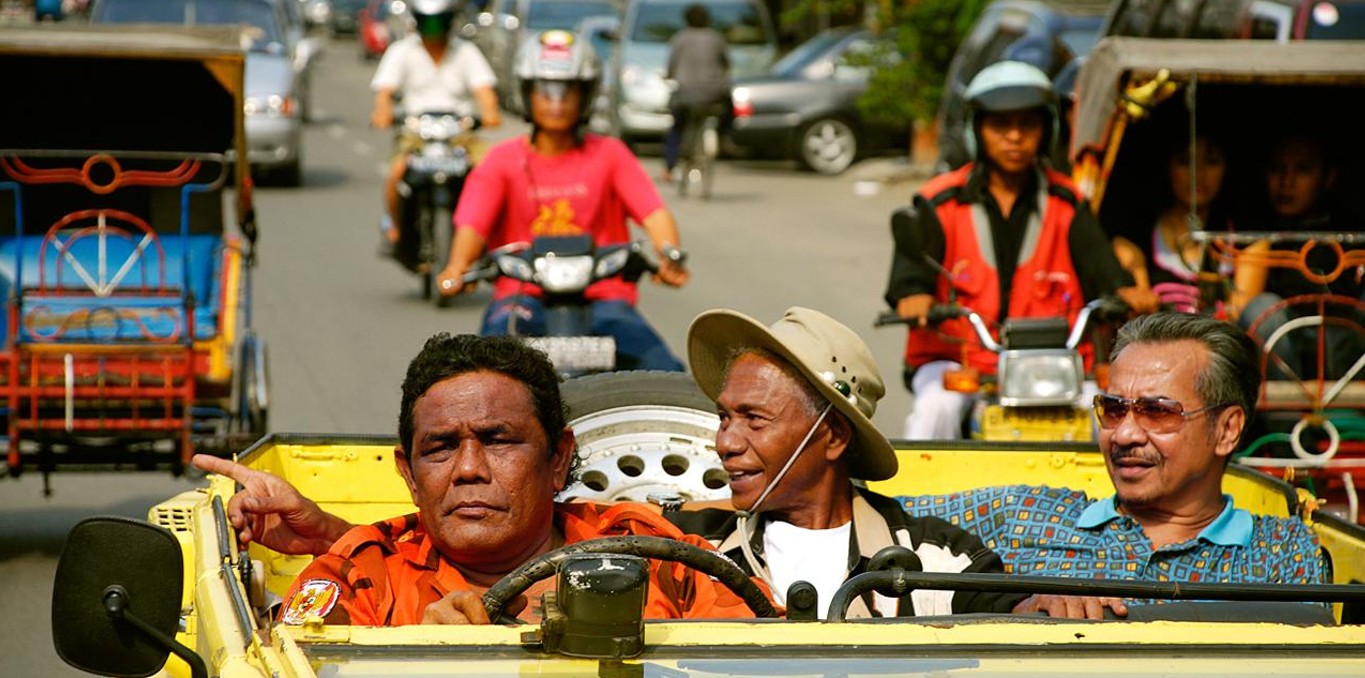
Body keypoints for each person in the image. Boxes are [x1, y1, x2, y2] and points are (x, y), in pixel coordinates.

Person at [200, 333, 765, 626]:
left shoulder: (655, 556)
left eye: (499, 441)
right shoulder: (358, 576)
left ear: (559, 458)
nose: (469, 469)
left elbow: (765, 657)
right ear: (409, 475)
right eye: (441, 448)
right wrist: (418, 658)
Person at [900, 312, 1330, 618]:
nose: (1124, 435)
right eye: (1113, 409)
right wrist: (1020, 606)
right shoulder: (1022, 516)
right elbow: (873, 516)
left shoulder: (1284, 552)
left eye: (1157, 412)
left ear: (1227, 430)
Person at [670, 307, 1026, 618]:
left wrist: (1042, 605)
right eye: (724, 417)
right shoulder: (686, 546)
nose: (725, 442)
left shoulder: (936, 558)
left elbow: (1018, 616)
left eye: (755, 420)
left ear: (835, 435)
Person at [884, 60, 1156, 440]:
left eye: (1027, 125)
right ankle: (916, 500)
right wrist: (913, 297)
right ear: (976, 129)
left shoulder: (1067, 202)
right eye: (1000, 125)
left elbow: (1102, 267)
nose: (1015, 136)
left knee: (1108, 417)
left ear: (1047, 131)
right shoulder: (938, 201)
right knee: (935, 411)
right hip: (960, 360)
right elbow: (909, 275)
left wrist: (1125, 290)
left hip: (1052, 365)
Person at [434, 30, 689, 371]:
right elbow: (472, 225)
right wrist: (457, 265)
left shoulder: (610, 154)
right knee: (484, 373)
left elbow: (653, 212)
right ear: (527, 93)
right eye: (545, 90)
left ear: (585, 95)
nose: (556, 102)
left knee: (667, 376)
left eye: (568, 90)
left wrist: (668, 252)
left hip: (604, 299)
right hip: (521, 297)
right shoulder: (501, 160)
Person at [370, 0, 501, 261]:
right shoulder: (402, 51)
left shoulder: (466, 52)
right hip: (415, 135)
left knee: (489, 171)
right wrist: (383, 112)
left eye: (438, 22)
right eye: (427, 22)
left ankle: (489, 233)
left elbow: (485, 93)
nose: (433, 29)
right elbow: (384, 93)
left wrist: (489, 113)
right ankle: (394, 227)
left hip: (460, 135)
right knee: (397, 172)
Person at [1239, 133, 1365, 379]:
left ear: (1328, 177)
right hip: (1288, 349)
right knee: (1261, 309)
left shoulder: (1351, 229)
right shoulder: (1258, 233)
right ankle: (1287, 418)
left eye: (1302, 169)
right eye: (1277, 169)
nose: (1287, 181)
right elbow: (1244, 302)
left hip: (1350, 346)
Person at [1110, 132, 1268, 318]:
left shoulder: (1247, 238)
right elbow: (1139, 313)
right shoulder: (1135, 237)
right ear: (1167, 165)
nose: (1198, 174)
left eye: (1211, 161)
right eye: (1185, 161)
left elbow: (1241, 315)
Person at [661, 3, 730, 184]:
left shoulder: (680, 39)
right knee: (728, 110)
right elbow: (726, 64)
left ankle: (669, 167)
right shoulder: (716, 38)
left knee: (676, 127)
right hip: (712, 94)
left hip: (685, 95)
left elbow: (670, 68)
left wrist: (668, 77)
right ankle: (725, 138)